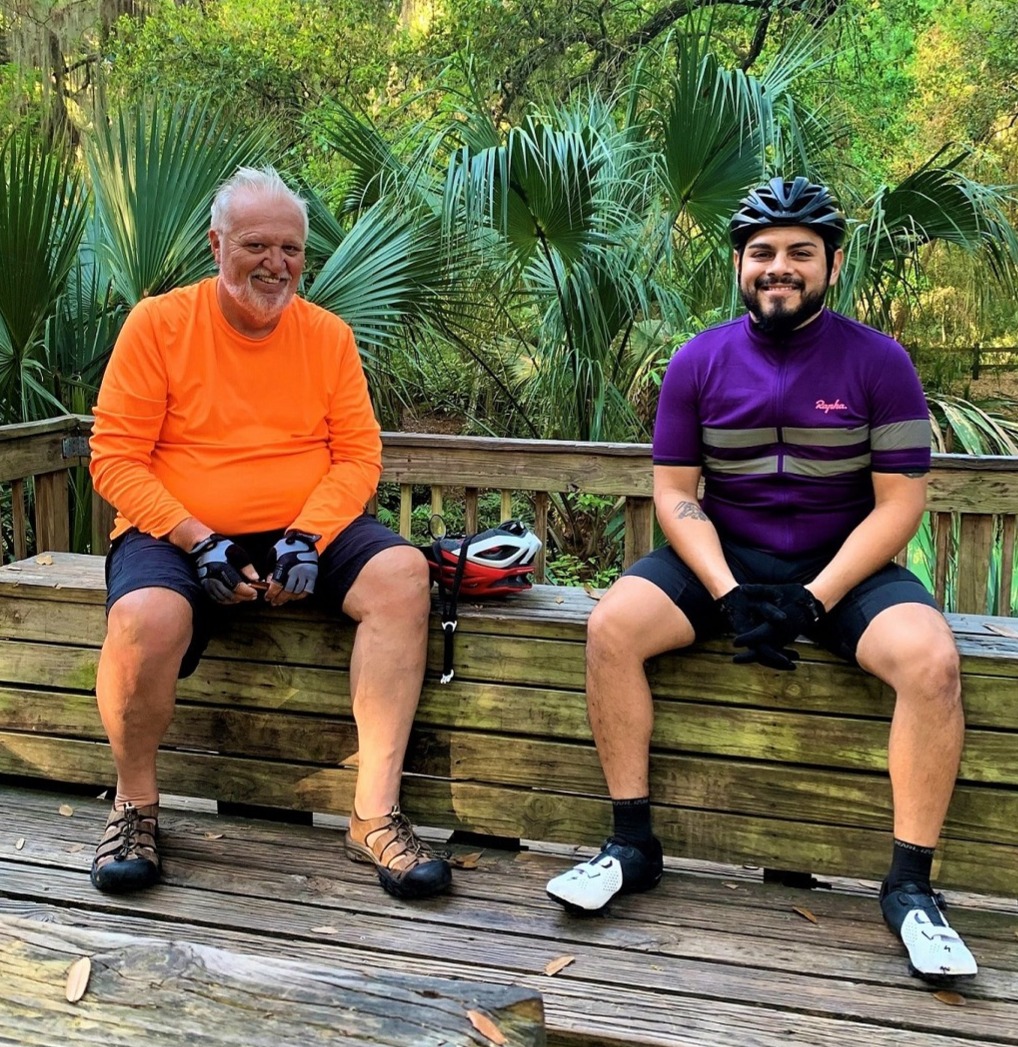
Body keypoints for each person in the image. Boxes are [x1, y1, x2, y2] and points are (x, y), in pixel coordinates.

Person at [545, 177, 977, 982]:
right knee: (612, 626)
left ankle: (911, 889)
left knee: (932, 661)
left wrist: (815, 598)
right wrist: (728, 592)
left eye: (800, 252)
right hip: (727, 556)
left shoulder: (881, 363)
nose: (779, 266)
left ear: (832, 265)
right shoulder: (697, 360)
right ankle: (631, 846)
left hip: (844, 564)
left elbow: (900, 504)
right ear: (740, 264)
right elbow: (675, 493)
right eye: (762, 252)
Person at [88, 165, 451, 901]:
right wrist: (197, 538)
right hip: (176, 528)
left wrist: (307, 535)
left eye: (290, 249)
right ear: (217, 244)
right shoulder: (158, 324)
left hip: (303, 526)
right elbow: (115, 458)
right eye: (256, 245)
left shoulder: (328, 335)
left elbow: (358, 456)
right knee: (144, 615)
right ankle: (134, 806)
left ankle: (374, 814)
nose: (275, 264)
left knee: (403, 574)